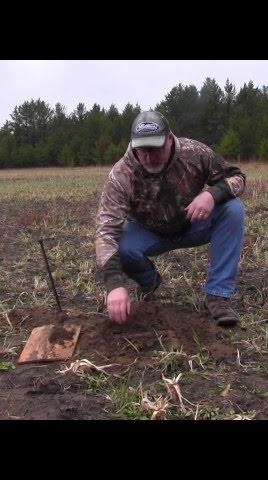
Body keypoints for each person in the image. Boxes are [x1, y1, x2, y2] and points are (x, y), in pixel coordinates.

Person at [95, 110, 246, 326]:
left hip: (192, 223)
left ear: (168, 139)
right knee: (119, 241)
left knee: (233, 209)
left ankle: (217, 296)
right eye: (141, 150)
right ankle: (149, 281)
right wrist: (114, 284)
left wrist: (212, 195)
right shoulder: (121, 174)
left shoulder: (194, 152)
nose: (147, 157)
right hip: (148, 232)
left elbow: (238, 177)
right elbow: (105, 231)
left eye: (155, 149)